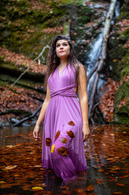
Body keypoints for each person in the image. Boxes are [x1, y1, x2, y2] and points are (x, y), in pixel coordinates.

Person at [33, 35, 90, 181]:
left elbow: (83, 96)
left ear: (70, 49)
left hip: (71, 115)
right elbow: (47, 100)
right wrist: (38, 124)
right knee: (58, 152)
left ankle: (72, 182)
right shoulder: (51, 72)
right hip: (53, 117)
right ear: (55, 51)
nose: (61, 47)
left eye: (64, 44)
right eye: (58, 45)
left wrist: (85, 124)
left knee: (57, 149)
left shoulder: (78, 67)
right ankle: (61, 184)